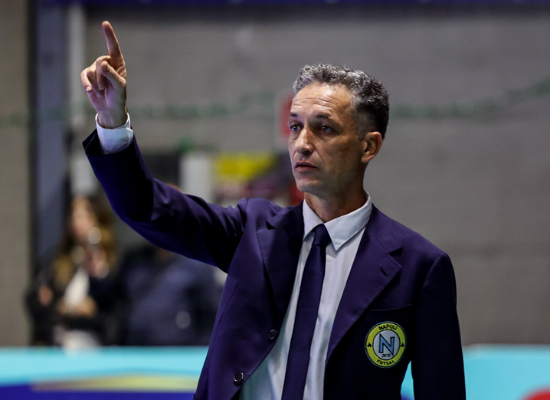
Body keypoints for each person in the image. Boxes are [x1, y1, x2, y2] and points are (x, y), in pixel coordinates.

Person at [80, 21, 466, 400]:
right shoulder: (251, 230)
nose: (302, 144)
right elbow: (149, 208)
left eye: (324, 129)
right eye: (295, 127)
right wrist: (112, 123)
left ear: (369, 146)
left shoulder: (418, 267)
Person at [89, 241, 221, 346]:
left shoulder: (196, 264)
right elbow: (110, 301)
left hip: (177, 355)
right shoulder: (133, 260)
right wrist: (99, 276)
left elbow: (211, 318)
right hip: (133, 352)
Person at [26, 195, 116, 348]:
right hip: (59, 343)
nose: (77, 223)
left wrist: (99, 272)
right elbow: (36, 298)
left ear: (98, 219)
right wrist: (58, 306)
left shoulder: (112, 263)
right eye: (74, 216)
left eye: (84, 216)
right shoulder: (58, 260)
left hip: (96, 345)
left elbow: (114, 310)